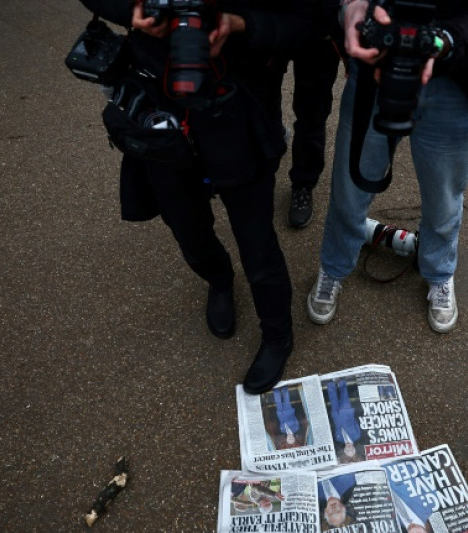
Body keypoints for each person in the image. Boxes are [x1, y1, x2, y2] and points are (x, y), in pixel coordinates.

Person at [76, 0, 319, 394]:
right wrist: (134, 10)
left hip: (238, 105)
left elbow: (310, 28)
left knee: (257, 242)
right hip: (158, 108)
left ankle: (278, 336)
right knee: (185, 224)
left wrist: (242, 23)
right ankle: (219, 278)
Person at [306, 0, 468, 333]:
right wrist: (350, 7)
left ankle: (439, 273)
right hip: (375, 68)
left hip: (461, 79)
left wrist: (445, 42)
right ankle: (334, 268)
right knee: (349, 189)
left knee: (444, 195)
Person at [284, 3, 346, 229]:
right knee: (258, 102)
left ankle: (303, 183)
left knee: (311, 113)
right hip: (270, 18)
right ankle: (271, 135)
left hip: (320, 28)